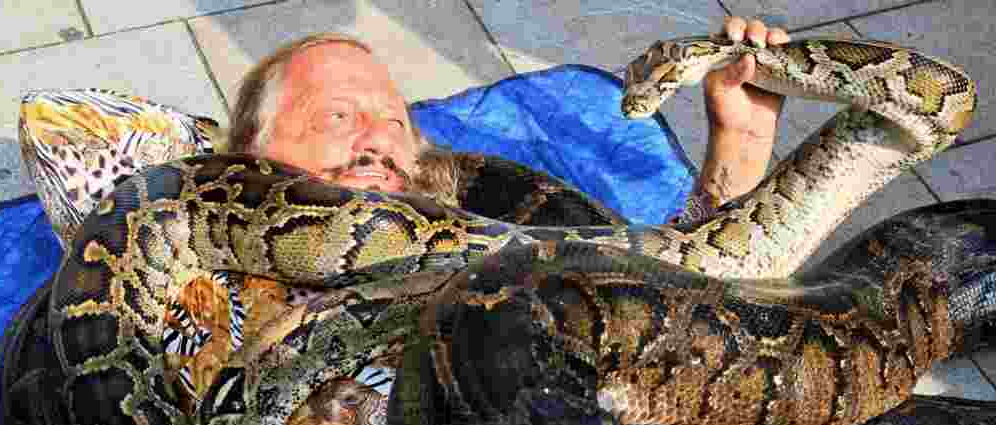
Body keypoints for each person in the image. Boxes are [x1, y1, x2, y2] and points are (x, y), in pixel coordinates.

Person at [226, 16, 791, 212]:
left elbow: (693, 287)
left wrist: (738, 146)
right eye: (337, 118)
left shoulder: (500, 240)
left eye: (397, 122)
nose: (378, 139)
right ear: (251, 149)